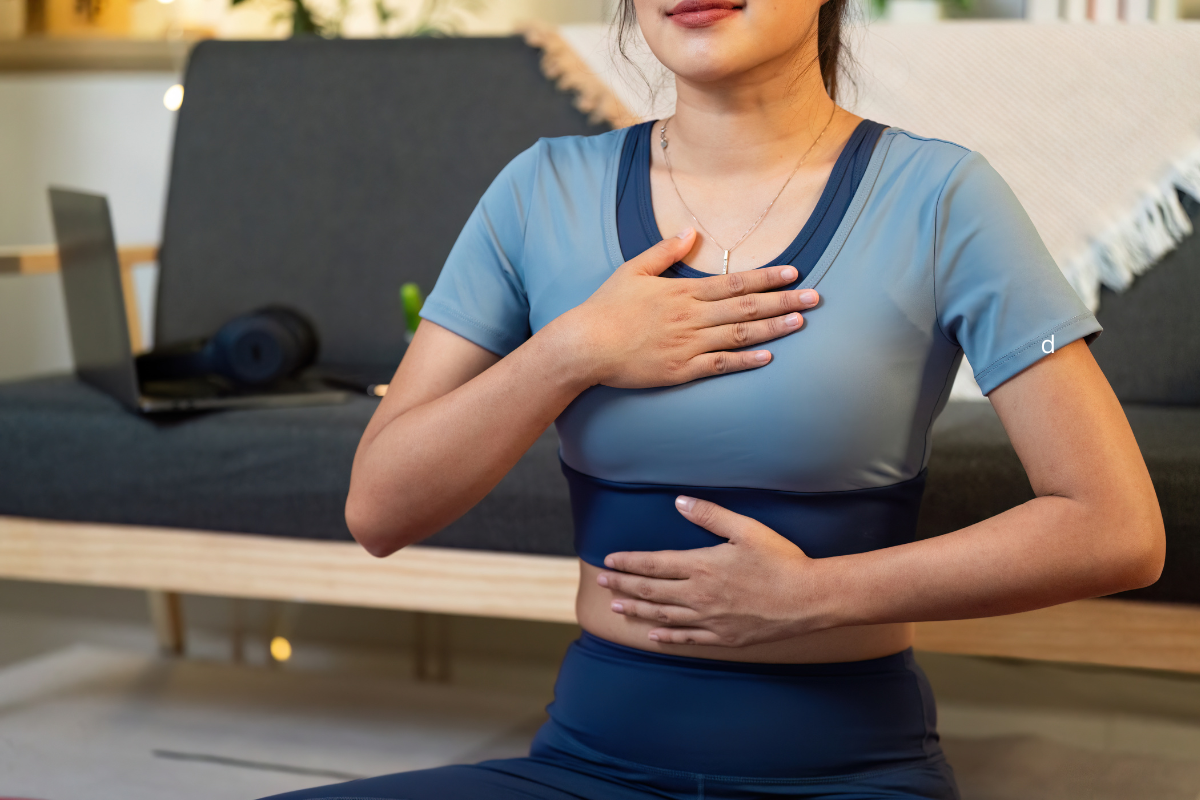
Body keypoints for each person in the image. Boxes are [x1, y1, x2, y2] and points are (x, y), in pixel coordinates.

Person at [263, 0, 1165, 797]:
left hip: (846, 775)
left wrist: (812, 595)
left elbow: (1116, 528)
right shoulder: (540, 190)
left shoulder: (941, 196)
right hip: (586, 768)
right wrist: (571, 350)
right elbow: (380, 510)